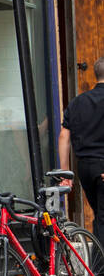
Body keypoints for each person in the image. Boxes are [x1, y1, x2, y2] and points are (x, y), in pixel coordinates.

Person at [59, 56, 104, 244]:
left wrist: (65, 174)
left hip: (84, 168)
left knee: (100, 217)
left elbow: (64, 137)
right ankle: (98, 270)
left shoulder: (77, 102)